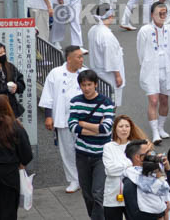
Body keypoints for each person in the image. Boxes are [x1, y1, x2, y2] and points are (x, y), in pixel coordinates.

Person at [39, 45, 86, 193]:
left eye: (82, 56)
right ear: (69, 58)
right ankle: (74, 180)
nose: (81, 59)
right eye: (78, 57)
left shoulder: (85, 73)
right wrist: (48, 116)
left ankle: (85, 179)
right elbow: (48, 95)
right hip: (63, 119)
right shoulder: (56, 73)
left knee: (83, 150)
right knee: (67, 151)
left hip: (83, 120)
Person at [70, 69, 115, 220]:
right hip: (82, 154)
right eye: (84, 85)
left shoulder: (106, 103)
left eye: (90, 84)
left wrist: (83, 124)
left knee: (98, 193)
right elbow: (73, 127)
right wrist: (94, 129)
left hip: (101, 155)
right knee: (87, 194)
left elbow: (106, 129)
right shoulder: (75, 101)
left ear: (96, 84)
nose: (87, 88)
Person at [138, 2, 170, 144]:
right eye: (159, 13)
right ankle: (155, 132)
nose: (163, 16)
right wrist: (147, 66)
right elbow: (141, 53)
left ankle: (161, 127)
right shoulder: (144, 30)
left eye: (165, 13)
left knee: (164, 100)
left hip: (167, 69)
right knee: (153, 100)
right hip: (151, 70)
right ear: (152, 14)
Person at [104, 115, 147, 220]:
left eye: (127, 126)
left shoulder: (136, 146)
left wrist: (121, 166)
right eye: (121, 126)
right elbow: (110, 170)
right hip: (113, 195)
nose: (124, 129)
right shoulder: (108, 147)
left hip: (133, 195)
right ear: (115, 129)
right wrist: (129, 164)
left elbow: (140, 166)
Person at [87, 5, 126, 108]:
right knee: (111, 105)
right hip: (108, 76)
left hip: (97, 72)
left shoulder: (93, 30)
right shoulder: (107, 36)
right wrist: (118, 76)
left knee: (100, 104)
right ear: (110, 16)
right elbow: (111, 58)